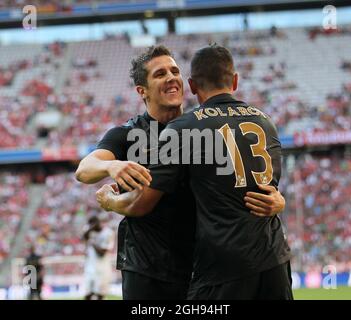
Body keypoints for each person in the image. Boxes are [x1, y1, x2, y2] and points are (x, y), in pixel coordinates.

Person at [77, 45, 286, 299]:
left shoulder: (197, 127)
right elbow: (85, 169)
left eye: (174, 70)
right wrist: (111, 165)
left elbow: (239, 179)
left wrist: (277, 198)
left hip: (197, 268)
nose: (170, 77)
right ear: (142, 91)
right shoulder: (127, 135)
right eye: (159, 73)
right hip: (148, 270)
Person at [83, 215, 114, 300]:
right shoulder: (90, 231)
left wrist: (92, 242)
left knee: (100, 295)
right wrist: (90, 230)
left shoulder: (108, 233)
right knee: (88, 294)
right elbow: (84, 236)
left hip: (102, 268)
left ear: (99, 223)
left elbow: (102, 253)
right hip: (90, 267)